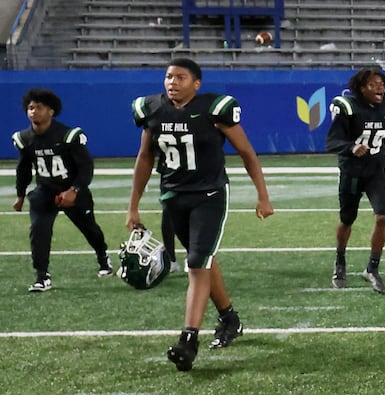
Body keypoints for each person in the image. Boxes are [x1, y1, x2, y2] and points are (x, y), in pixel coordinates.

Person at [127, 57, 274, 371]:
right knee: (203, 259)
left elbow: (247, 152)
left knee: (197, 262)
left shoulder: (214, 108)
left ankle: (188, 340)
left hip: (209, 195)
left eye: (180, 77)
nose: (172, 82)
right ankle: (229, 318)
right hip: (173, 195)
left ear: (196, 83)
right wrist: (133, 205)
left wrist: (263, 195)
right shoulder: (152, 109)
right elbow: (145, 158)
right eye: (168, 76)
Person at [12, 88, 112, 292]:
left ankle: (103, 257)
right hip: (45, 190)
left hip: (71, 189)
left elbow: (86, 166)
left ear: (51, 111)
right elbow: (23, 168)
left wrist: (74, 189)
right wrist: (21, 194)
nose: (33, 111)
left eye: (39, 108)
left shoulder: (67, 135)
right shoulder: (25, 138)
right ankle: (41, 276)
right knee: (39, 230)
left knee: (89, 228)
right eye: (30, 108)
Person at [326, 67, 385, 293]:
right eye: (373, 84)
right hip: (352, 170)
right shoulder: (349, 107)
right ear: (361, 88)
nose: (379, 88)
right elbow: (332, 141)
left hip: (376, 170)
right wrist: (351, 147)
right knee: (347, 219)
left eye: (381, 83)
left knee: (382, 217)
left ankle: (372, 268)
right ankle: (340, 261)